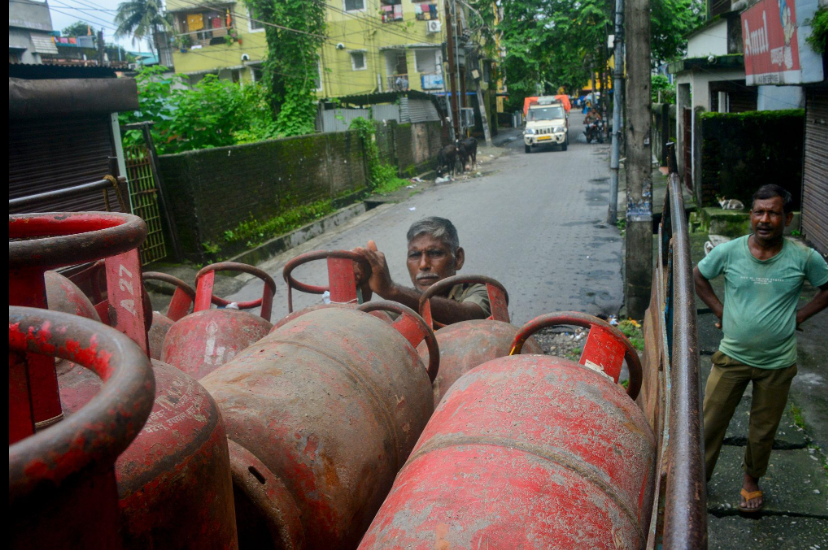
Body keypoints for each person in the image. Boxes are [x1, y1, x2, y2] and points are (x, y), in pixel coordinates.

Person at [694, 184, 828, 513]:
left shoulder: (804, 257)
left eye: (773, 213)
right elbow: (699, 276)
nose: (765, 219)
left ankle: (751, 481)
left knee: (763, 429)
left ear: (787, 218)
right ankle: (698, 481)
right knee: (709, 423)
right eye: (759, 212)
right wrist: (720, 310)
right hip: (732, 358)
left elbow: (826, 289)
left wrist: (800, 315)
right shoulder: (730, 252)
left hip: (777, 362)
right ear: (751, 215)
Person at [354, 217, 491, 325]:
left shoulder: (479, 290)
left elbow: (472, 317)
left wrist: (391, 290)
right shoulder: (401, 306)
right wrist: (363, 291)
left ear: (458, 258)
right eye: (414, 255)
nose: (423, 265)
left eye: (436, 253)